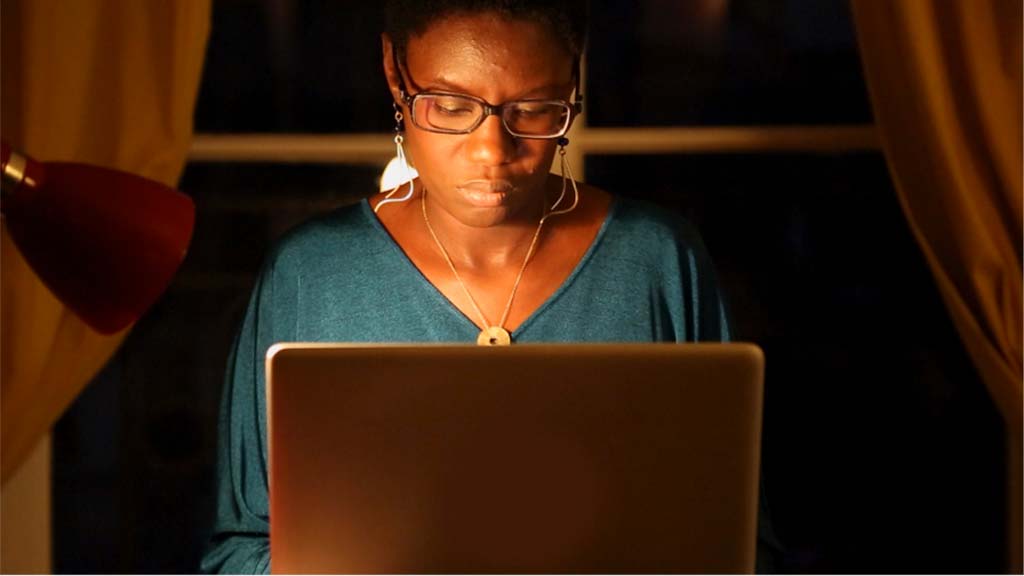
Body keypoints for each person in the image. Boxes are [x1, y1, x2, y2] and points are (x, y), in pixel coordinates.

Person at [200, 1, 741, 573]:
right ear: (393, 69)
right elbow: (242, 550)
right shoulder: (311, 275)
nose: (491, 152)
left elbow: (736, 540)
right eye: (451, 106)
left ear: (574, 78)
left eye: (534, 109)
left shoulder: (656, 262)